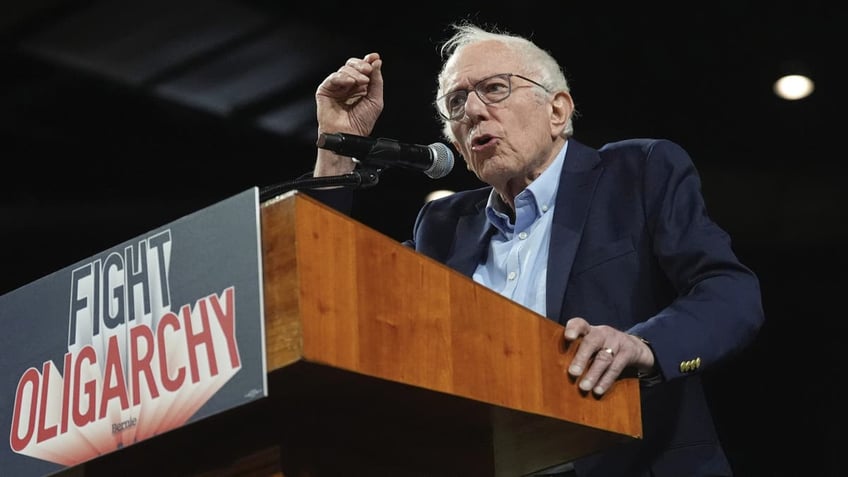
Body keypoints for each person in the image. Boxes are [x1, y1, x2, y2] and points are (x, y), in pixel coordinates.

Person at [309, 21, 765, 477]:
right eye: (456, 102)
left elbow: (729, 290)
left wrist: (643, 346)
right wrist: (336, 147)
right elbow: (332, 295)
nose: (472, 111)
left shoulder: (637, 174)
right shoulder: (443, 227)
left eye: (494, 88)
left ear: (557, 111)